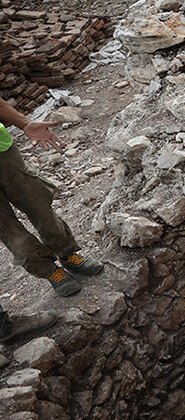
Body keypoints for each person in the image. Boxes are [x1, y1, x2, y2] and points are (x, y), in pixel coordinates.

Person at [0, 95, 103, 301]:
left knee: (38, 203)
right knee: (7, 227)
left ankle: (67, 253)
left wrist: (26, 123)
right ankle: (49, 270)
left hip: (2, 153)